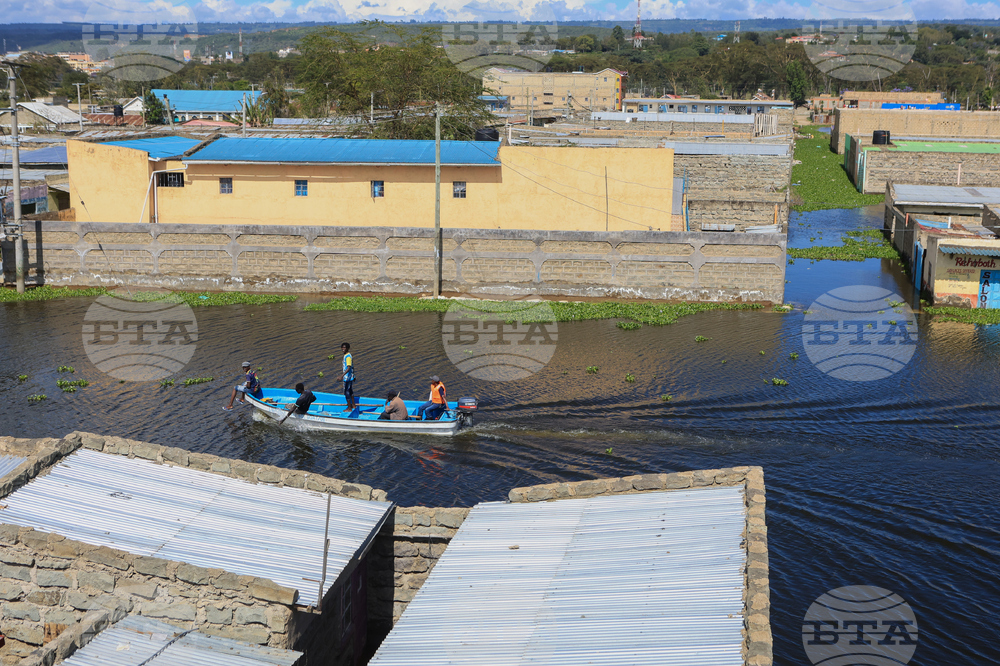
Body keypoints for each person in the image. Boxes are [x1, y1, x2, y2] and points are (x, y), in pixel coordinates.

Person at [340, 342, 356, 411]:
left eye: (345, 347)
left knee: (346, 392)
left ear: (348, 348)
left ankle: (349, 407)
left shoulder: (348, 357)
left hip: (347, 378)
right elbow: (353, 366)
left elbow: (349, 367)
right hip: (350, 377)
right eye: (342, 347)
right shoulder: (347, 355)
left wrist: (341, 376)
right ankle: (353, 405)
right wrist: (354, 375)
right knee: (350, 390)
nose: (343, 349)